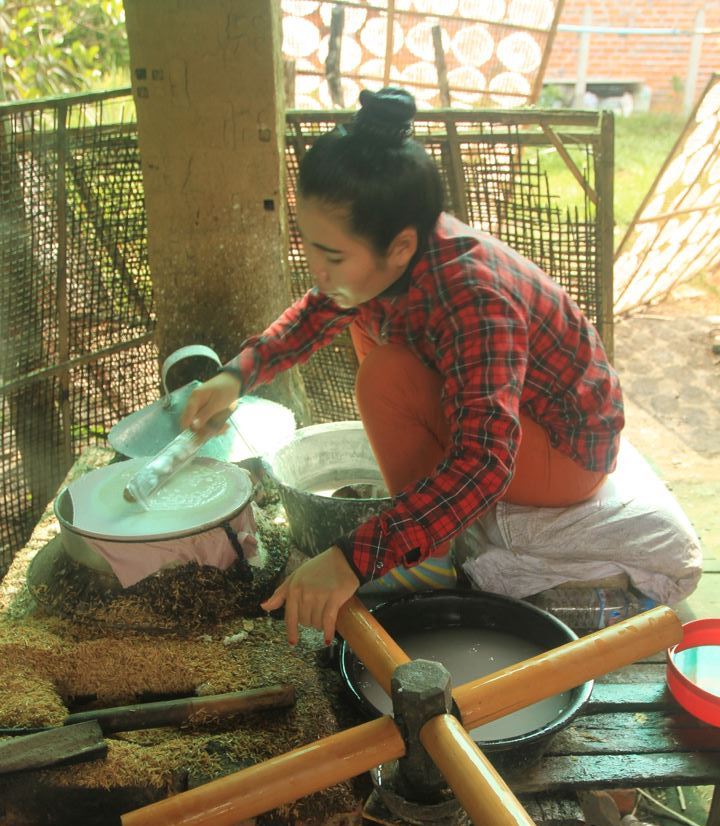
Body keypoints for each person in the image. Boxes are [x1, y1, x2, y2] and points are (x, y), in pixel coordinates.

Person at [182, 87, 624, 646]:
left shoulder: (474, 297)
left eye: (332, 255)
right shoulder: (397, 258)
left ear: (400, 245)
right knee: (359, 315)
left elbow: (485, 462)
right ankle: (421, 524)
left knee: (385, 375)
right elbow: (318, 311)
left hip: (569, 451)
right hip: (519, 422)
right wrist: (235, 376)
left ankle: (430, 556)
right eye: (309, 245)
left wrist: (353, 558)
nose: (315, 269)